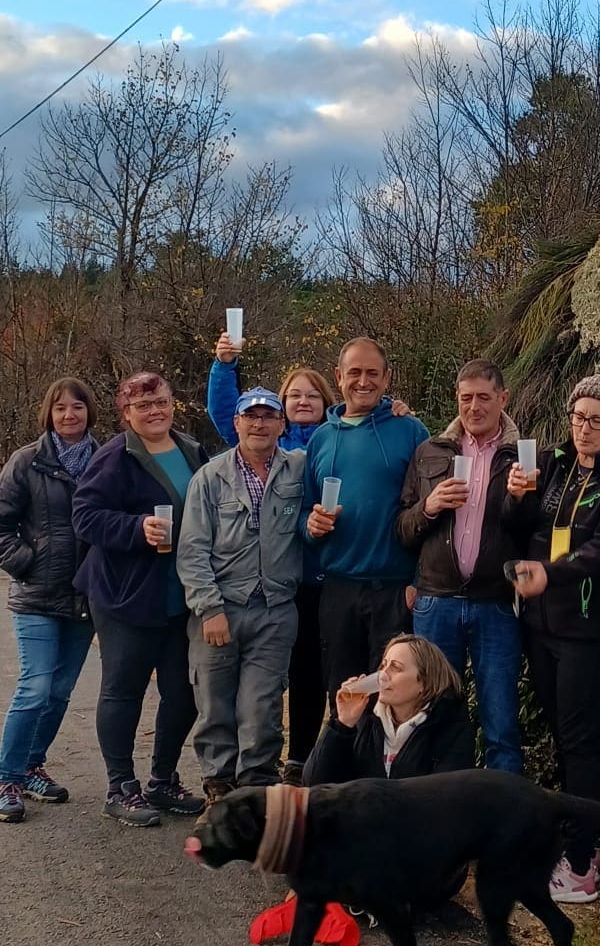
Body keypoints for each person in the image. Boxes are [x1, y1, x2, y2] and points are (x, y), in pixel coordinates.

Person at [502, 374, 600, 905]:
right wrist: (517, 496)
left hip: (590, 632)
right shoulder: (554, 464)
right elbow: (521, 525)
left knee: (581, 742)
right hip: (541, 626)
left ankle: (584, 863)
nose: (584, 429)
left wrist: (550, 574)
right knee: (562, 740)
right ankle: (570, 840)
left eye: (597, 420)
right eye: (578, 417)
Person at [72, 372, 208, 827]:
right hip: (125, 596)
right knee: (123, 691)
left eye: (162, 402)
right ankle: (121, 786)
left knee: (184, 692)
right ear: (126, 413)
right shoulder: (116, 456)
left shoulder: (191, 450)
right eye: (144, 405)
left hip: (179, 597)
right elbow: (85, 517)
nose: (155, 411)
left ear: (174, 404)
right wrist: (135, 529)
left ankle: (163, 780)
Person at [206, 334, 338, 781]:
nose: (303, 400)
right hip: (274, 588)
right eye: (294, 394)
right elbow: (230, 412)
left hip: (325, 580)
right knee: (276, 681)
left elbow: (361, 417)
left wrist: (392, 408)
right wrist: (224, 365)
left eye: (312, 394)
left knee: (315, 677)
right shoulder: (244, 457)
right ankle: (238, 776)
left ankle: (314, 761)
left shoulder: (326, 445)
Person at [177, 386, 306, 807]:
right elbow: (192, 549)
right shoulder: (210, 478)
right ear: (236, 423)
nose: (260, 423)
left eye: (269, 416)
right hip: (220, 610)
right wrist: (209, 608)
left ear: (282, 425)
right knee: (214, 702)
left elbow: (336, 431)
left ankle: (255, 784)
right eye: (251, 416)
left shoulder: (300, 469)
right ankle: (218, 783)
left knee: (262, 703)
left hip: (275, 609)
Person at [396, 358, 523, 775]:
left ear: (502, 399)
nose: (474, 407)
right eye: (466, 397)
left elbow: (534, 529)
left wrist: (523, 498)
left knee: (501, 722)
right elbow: (403, 529)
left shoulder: (521, 455)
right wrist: (430, 506)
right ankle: (431, 812)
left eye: (484, 397)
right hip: (437, 602)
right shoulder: (431, 451)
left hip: (496, 603)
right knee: (428, 717)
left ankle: (504, 825)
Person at [0, 377, 98, 824]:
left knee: (61, 691)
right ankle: (7, 778)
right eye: (60, 409)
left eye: (78, 407)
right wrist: (28, 563)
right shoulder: (26, 461)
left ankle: (33, 766)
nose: (70, 415)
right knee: (35, 687)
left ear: (90, 412)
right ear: (48, 414)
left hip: (85, 599)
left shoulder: (107, 459)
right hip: (36, 596)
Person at [302, 337, 428, 698]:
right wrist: (311, 527)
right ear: (338, 376)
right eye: (354, 372)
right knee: (345, 694)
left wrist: (418, 580)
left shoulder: (411, 431)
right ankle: (347, 757)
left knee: (394, 694)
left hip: (395, 588)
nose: (363, 381)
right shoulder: (321, 439)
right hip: (339, 587)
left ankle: (385, 758)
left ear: (387, 378)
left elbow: (431, 512)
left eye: (373, 373)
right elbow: (304, 514)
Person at [303, 634, 475, 786]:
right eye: (383, 665)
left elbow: (446, 799)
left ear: (424, 682)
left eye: (396, 668)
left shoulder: (449, 728)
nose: (383, 675)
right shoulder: (365, 722)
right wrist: (342, 725)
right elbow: (314, 784)